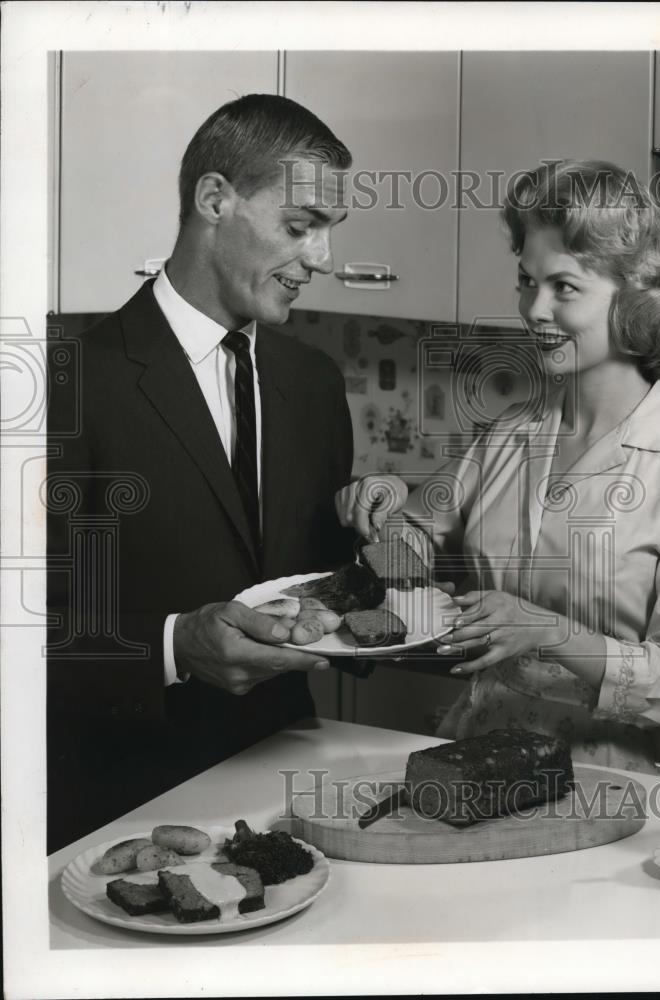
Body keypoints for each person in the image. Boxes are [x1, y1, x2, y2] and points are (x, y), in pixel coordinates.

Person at [337, 159, 660, 774]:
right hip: (474, 757)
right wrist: (391, 524)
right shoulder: (508, 436)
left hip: (615, 784)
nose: (534, 308)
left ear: (636, 298)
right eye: (527, 281)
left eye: (564, 287)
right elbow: (413, 539)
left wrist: (549, 631)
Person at [47, 94, 356, 851]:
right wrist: (175, 646)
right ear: (214, 199)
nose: (320, 259)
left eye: (327, 233)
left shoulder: (315, 382)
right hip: (122, 816)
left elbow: (323, 589)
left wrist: (377, 557)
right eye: (299, 226)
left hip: (289, 801)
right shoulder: (66, 387)